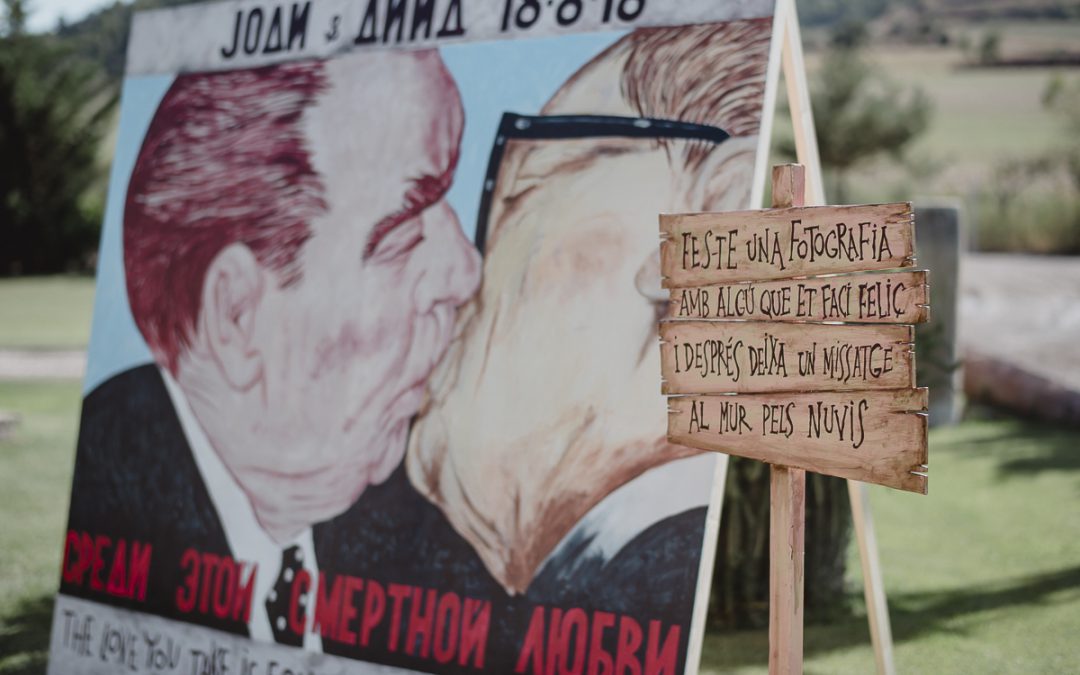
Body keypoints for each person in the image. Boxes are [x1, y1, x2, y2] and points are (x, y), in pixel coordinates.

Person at [61, 48, 480, 648]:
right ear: (235, 316)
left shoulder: (418, 526)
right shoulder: (115, 498)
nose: (466, 271)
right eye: (404, 233)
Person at [407, 17, 774, 598]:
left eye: (526, 187)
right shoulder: (591, 572)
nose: (464, 275)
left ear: (709, 219)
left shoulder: (639, 570)